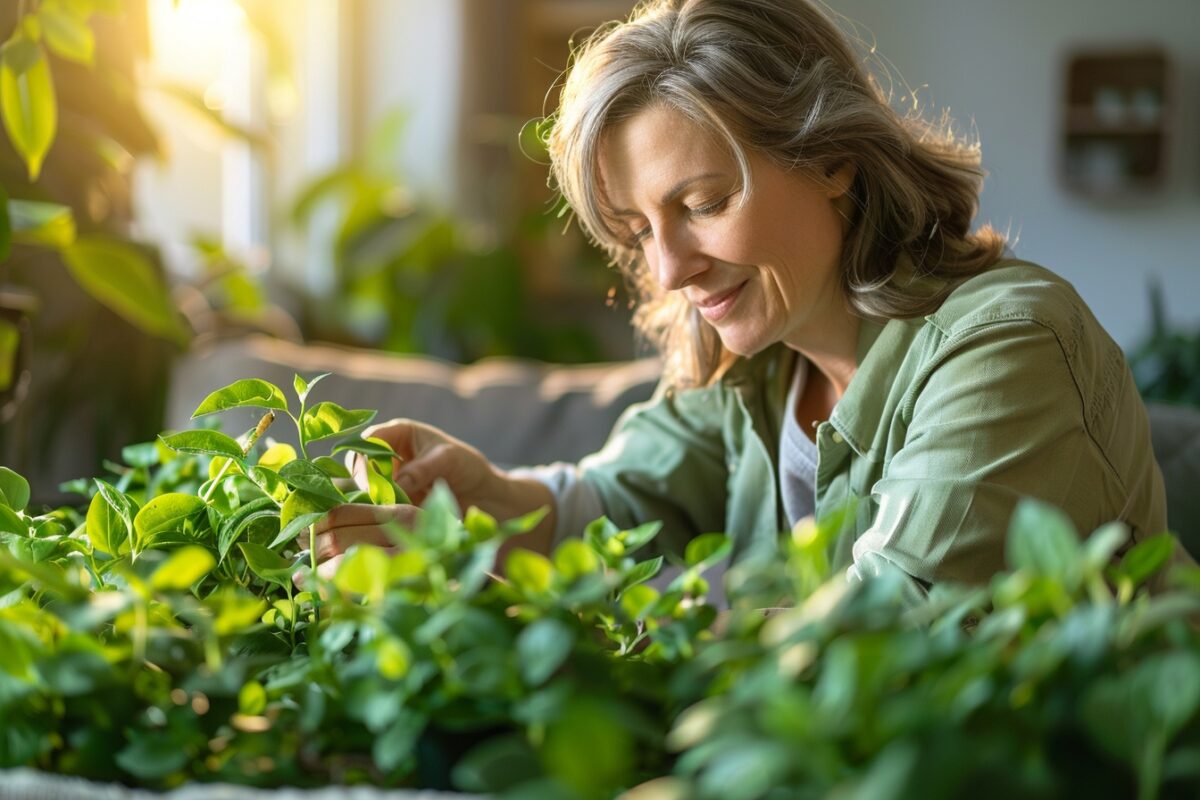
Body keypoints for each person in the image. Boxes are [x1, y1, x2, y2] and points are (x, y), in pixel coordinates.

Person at [308, 0, 1174, 602]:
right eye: (639, 230)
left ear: (833, 157)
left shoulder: (1004, 348)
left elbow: (879, 647)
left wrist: (489, 608)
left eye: (702, 204)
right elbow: (621, 501)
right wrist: (488, 498)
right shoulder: (754, 359)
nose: (673, 267)